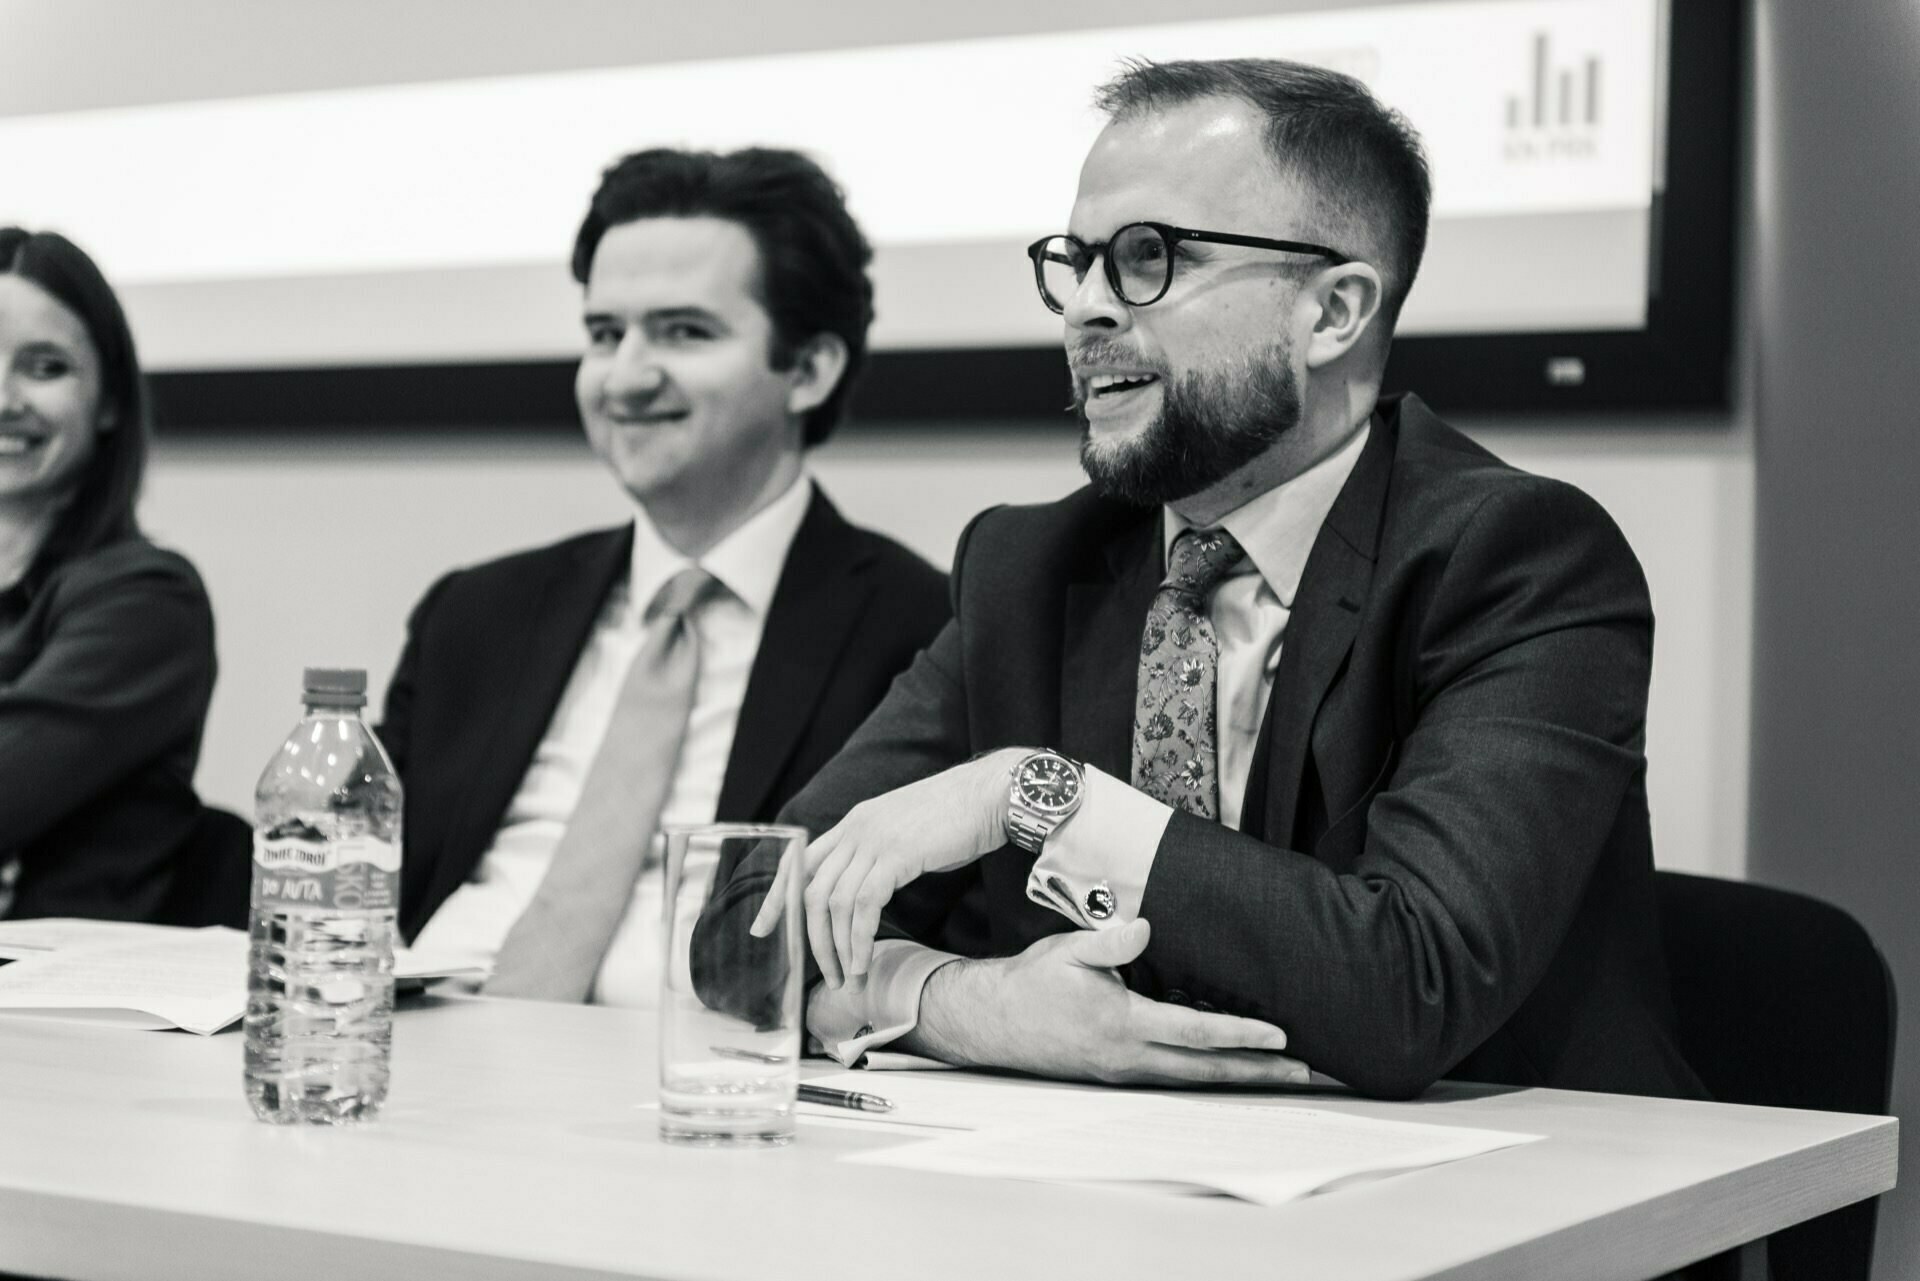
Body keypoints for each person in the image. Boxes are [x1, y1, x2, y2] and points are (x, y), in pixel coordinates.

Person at [700, 59, 1705, 1103]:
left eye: (1147, 258)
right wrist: (970, 1005)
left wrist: (1036, 796)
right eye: (1076, 262)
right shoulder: (1027, 569)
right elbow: (738, 929)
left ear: (1333, 314)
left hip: (1508, 1205)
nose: (1086, 310)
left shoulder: (1517, 562)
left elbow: (1409, 992)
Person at [380, 147, 950, 1004]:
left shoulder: (921, 631)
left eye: (684, 332)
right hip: (424, 1050)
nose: (626, 377)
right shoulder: (476, 613)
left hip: (701, 1077)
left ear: (808, 368)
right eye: (605, 334)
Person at [0, 228, 217, 921]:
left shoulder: (147, 601)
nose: (4, 398)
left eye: (43, 366)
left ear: (111, 403)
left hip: (53, 1013)